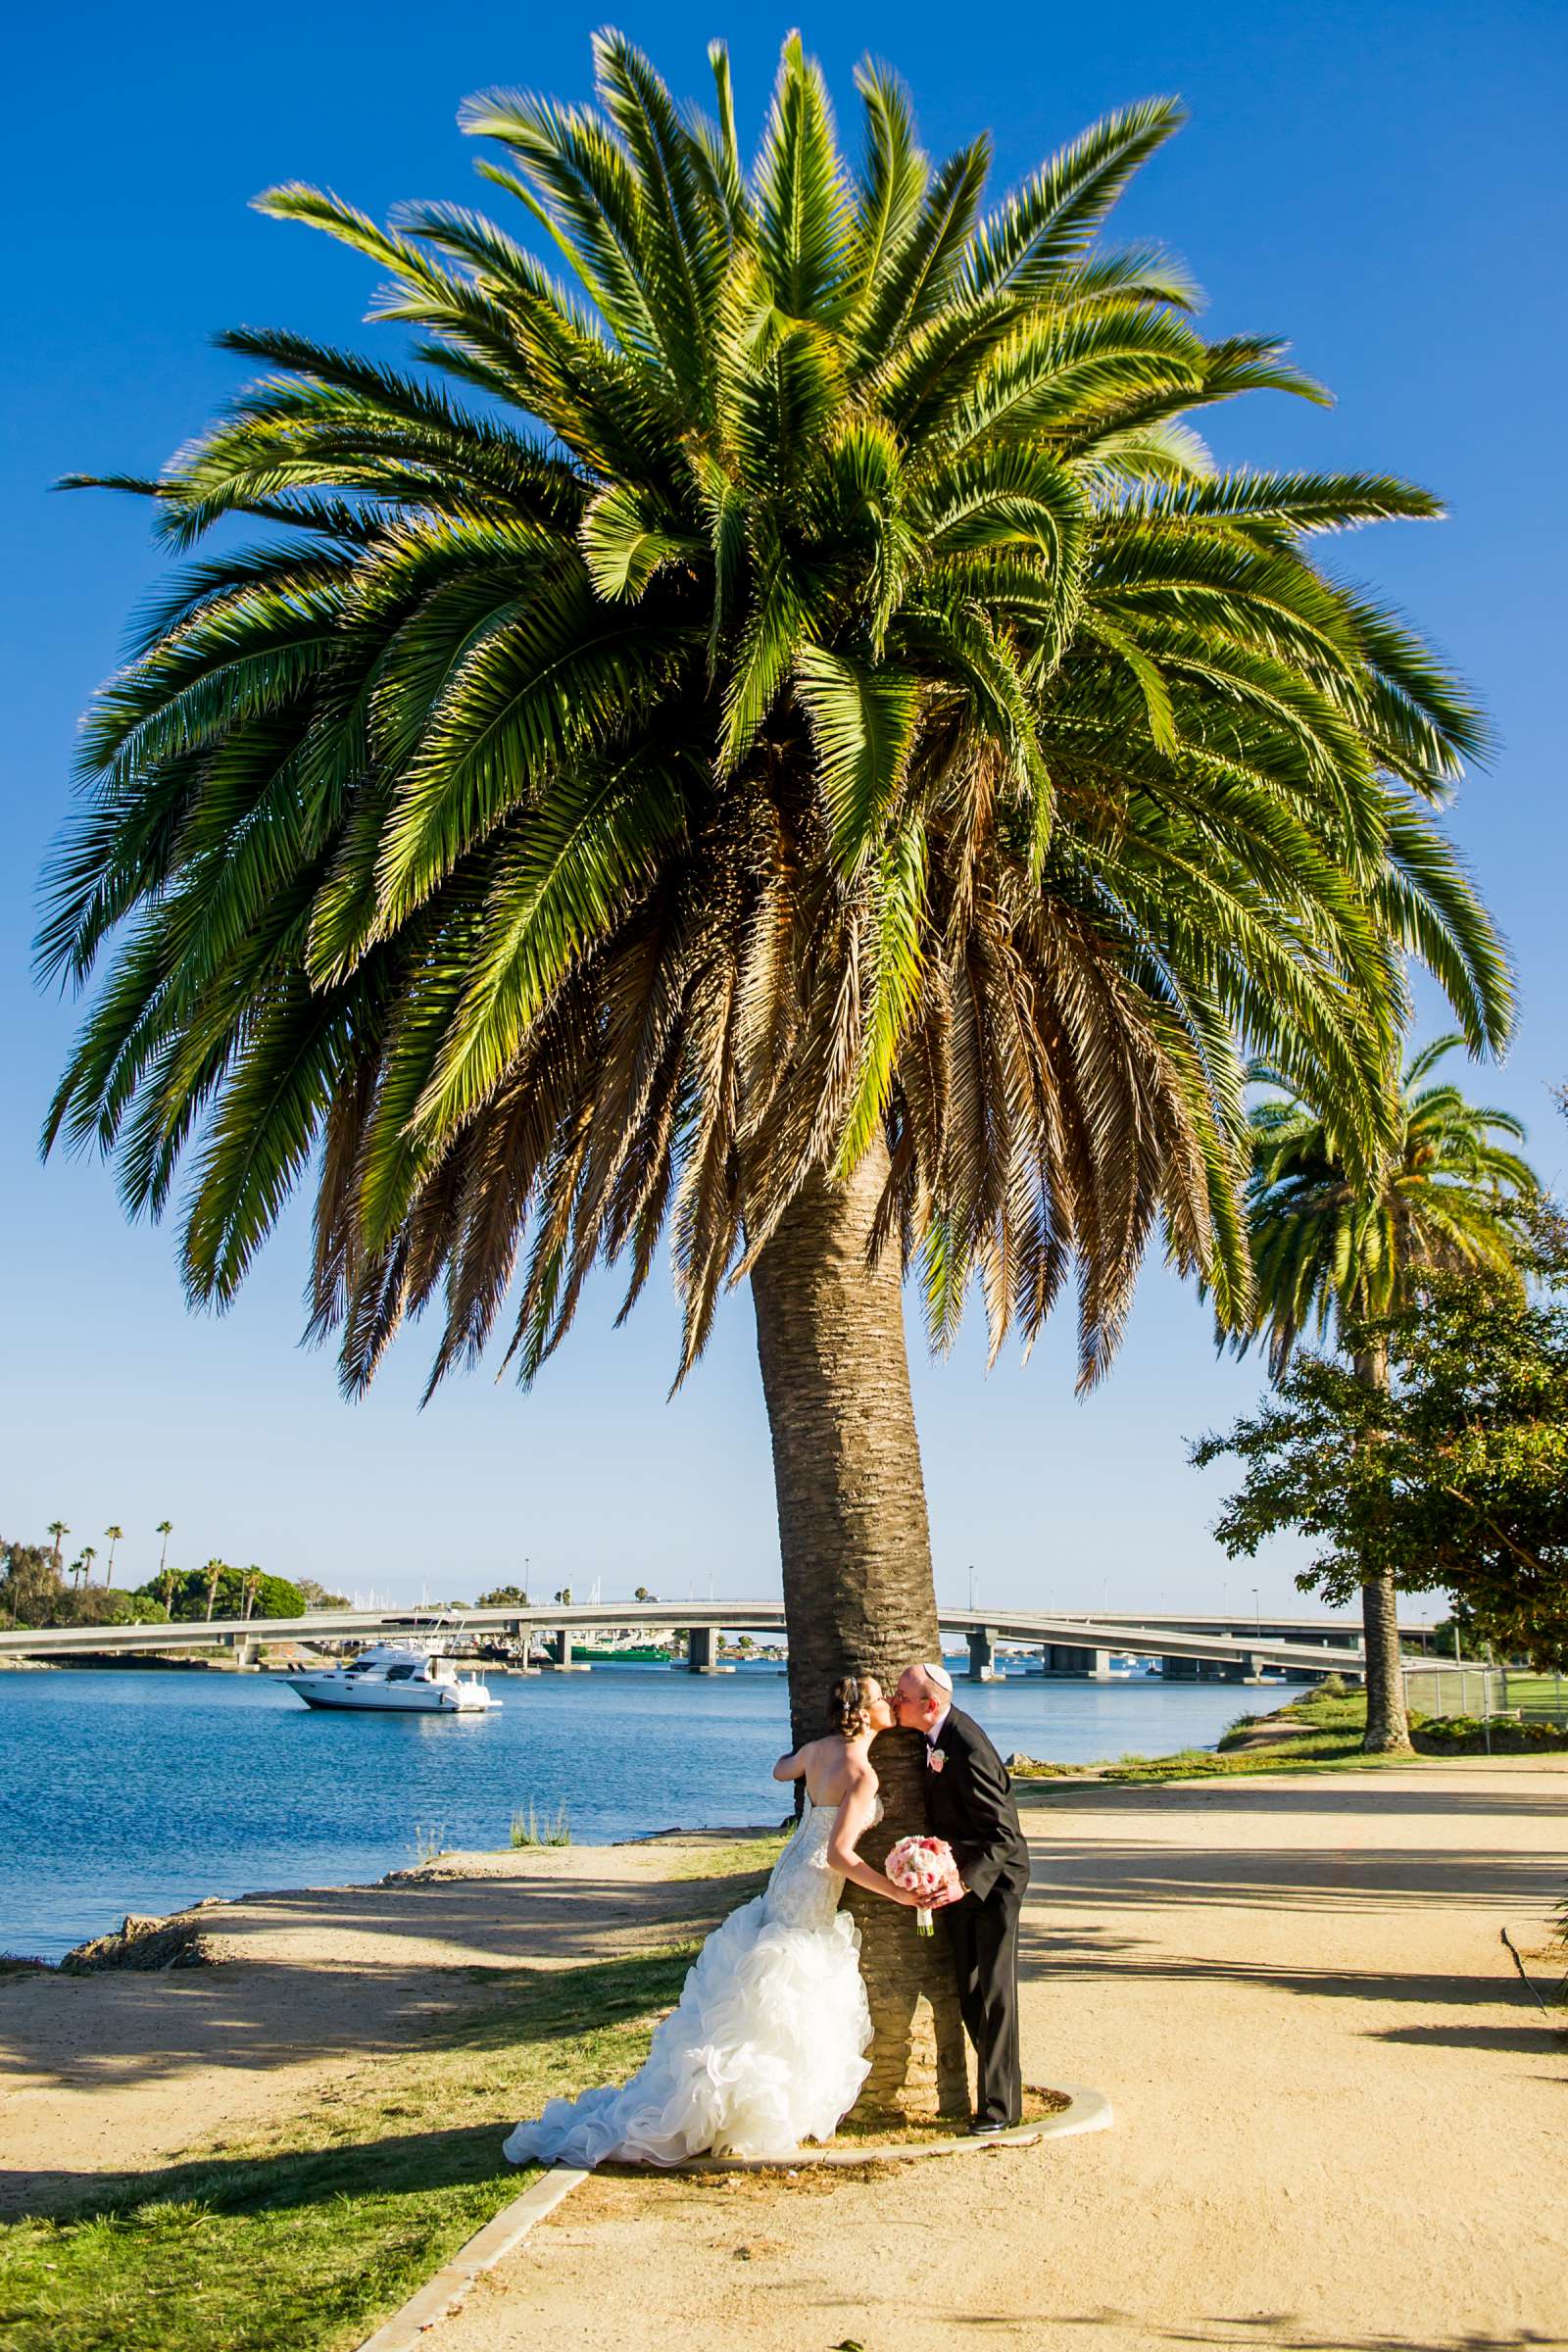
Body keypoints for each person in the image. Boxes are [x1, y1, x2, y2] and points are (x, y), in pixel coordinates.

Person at [502, 1673, 922, 2167]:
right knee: (787, 1983)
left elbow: (779, 1771)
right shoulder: (862, 1774)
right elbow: (840, 1855)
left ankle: (730, 2092)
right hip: (813, 1883)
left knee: (769, 1974)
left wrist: (809, 1763)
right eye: (881, 1699)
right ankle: (743, 2107)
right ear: (865, 1712)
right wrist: (897, 1890)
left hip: (787, 1872)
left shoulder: (818, 1751)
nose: (890, 1704)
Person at [894, 1659, 1031, 2134]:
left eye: (902, 1698)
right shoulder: (933, 1736)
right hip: (959, 1878)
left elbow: (1004, 1835)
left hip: (994, 1883)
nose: (895, 1703)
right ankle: (1004, 2087)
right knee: (969, 1991)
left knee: (994, 1995)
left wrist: (963, 1882)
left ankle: (999, 2109)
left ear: (930, 1705)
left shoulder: (967, 1746)